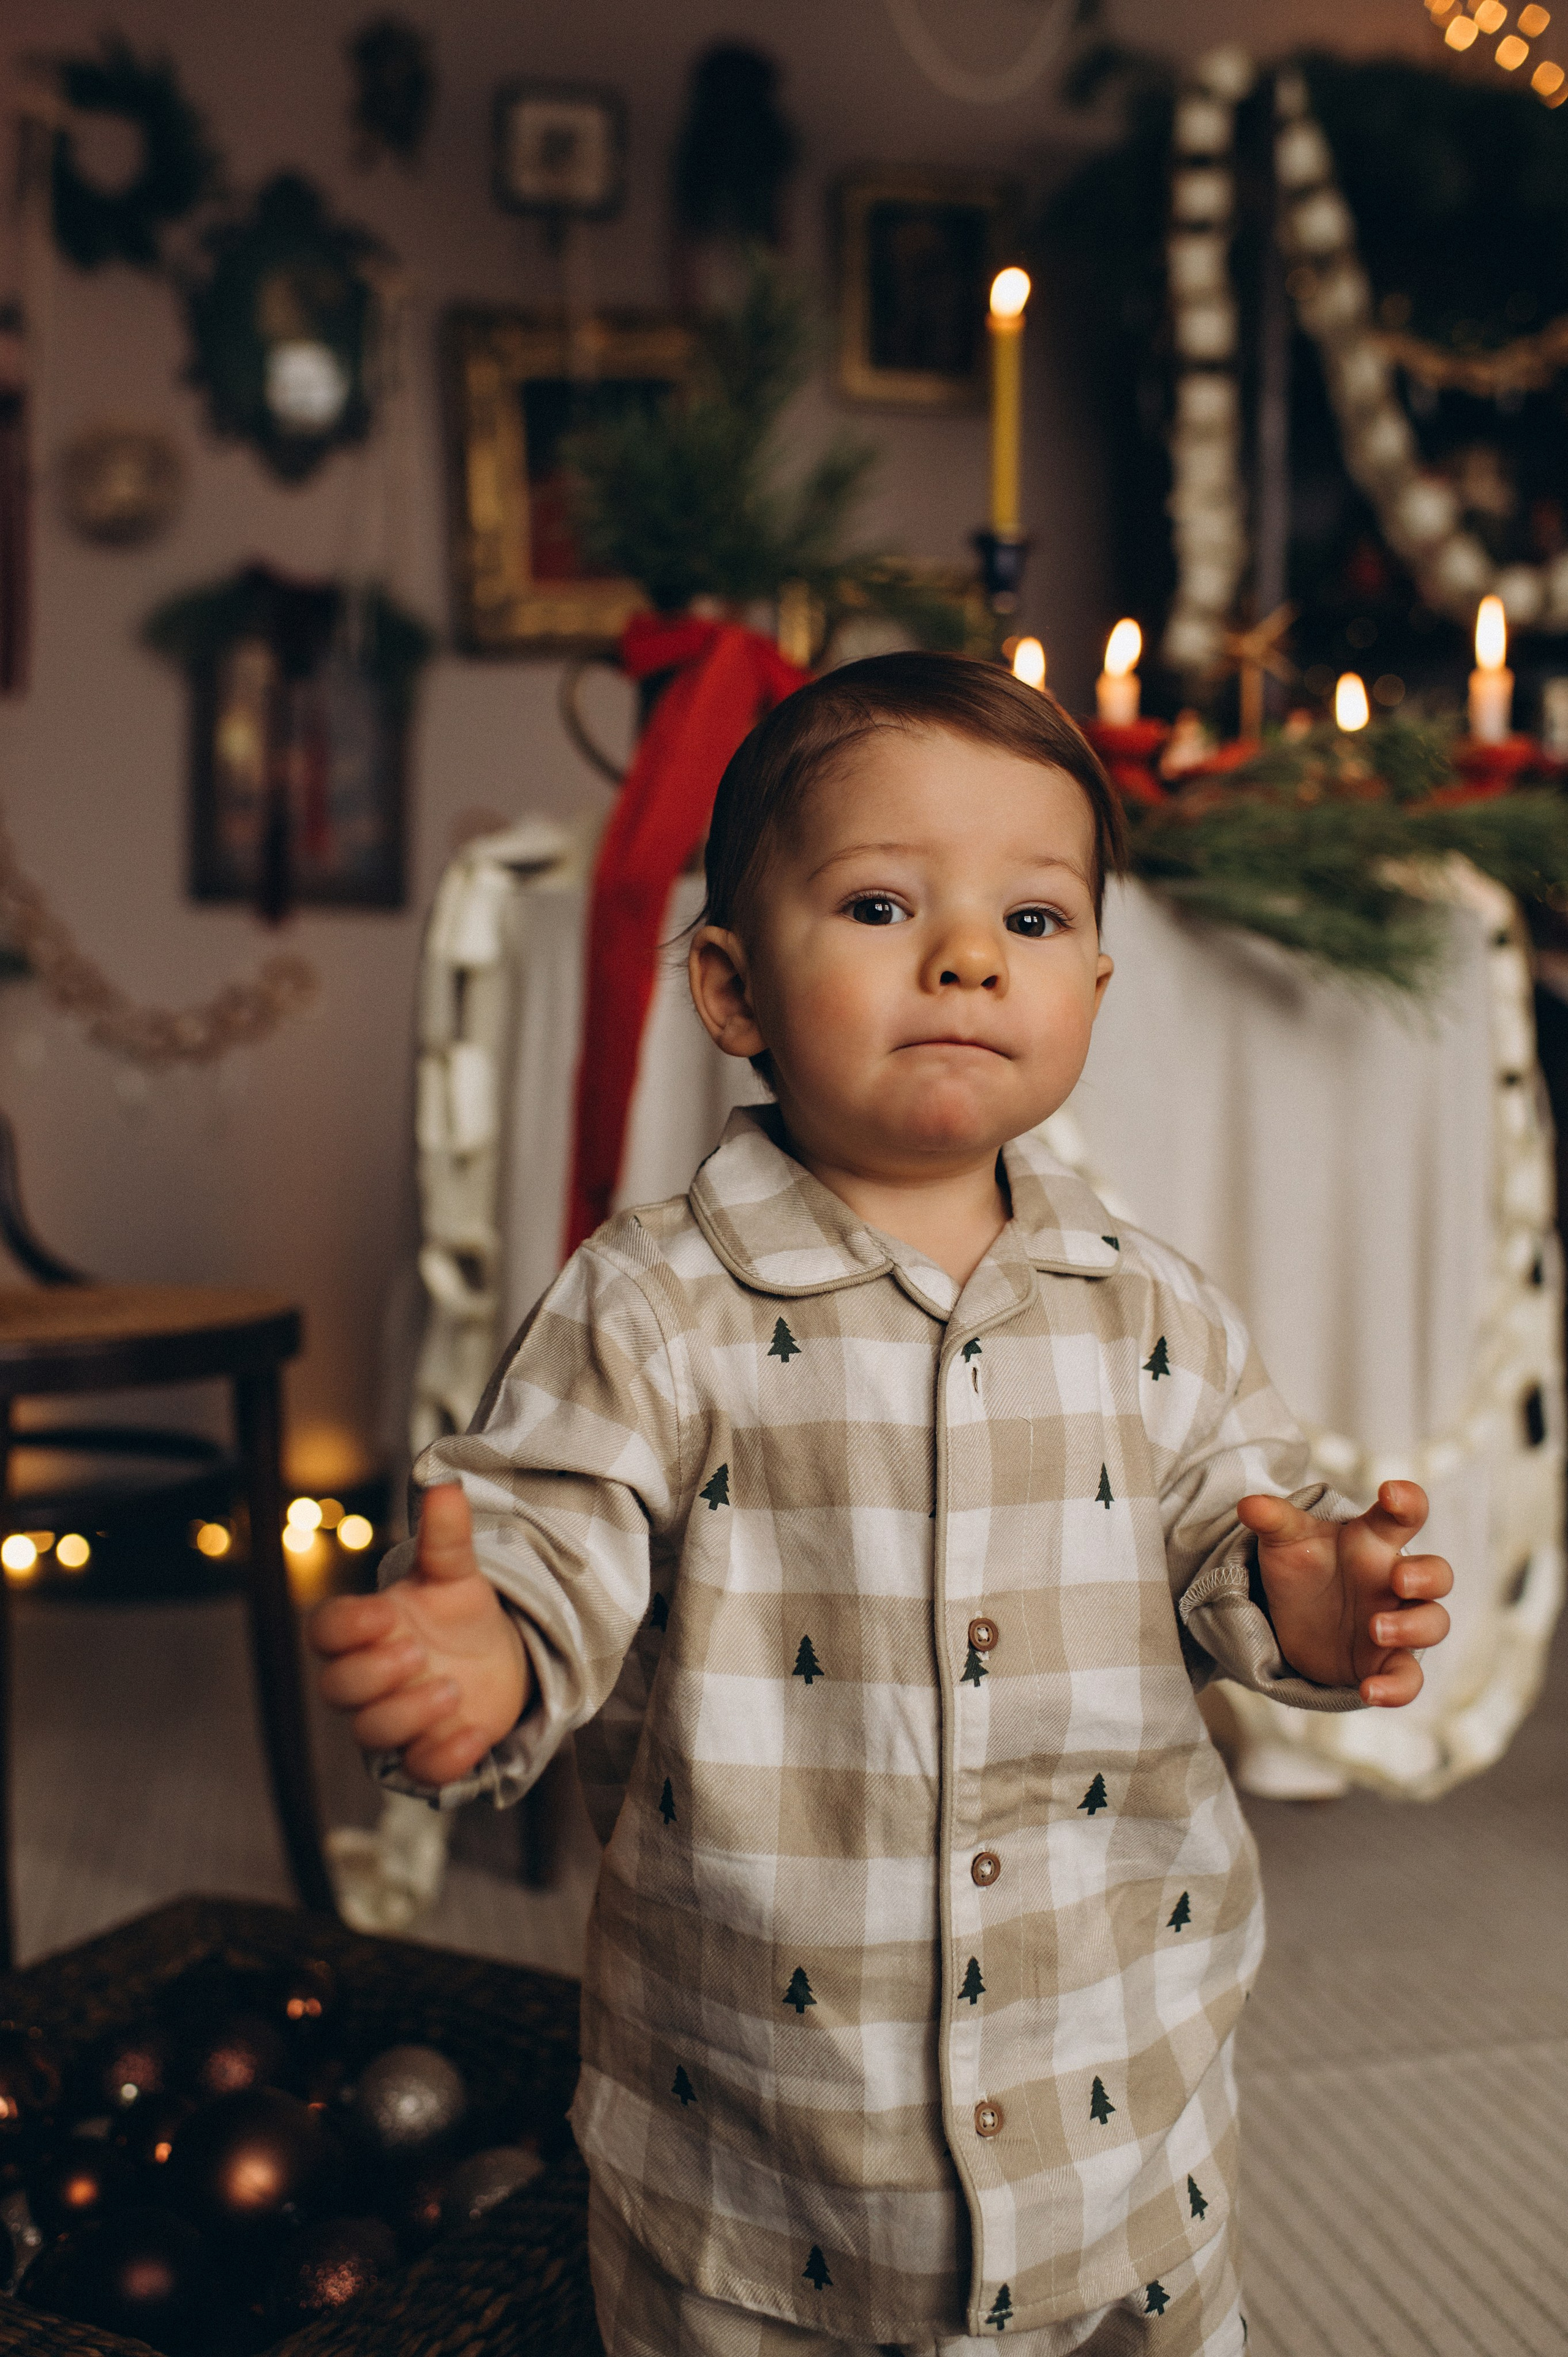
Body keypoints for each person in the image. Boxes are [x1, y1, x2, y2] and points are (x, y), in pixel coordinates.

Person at [311, 654, 1452, 2357]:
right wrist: (488, 1641)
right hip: (767, 2153)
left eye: (1037, 919)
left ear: (1096, 983)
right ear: (733, 987)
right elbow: (548, 1526)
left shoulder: (1153, 1307)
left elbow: (1243, 1526)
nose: (970, 954)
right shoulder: (655, 1303)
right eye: (878, 901)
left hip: (1116, 2122)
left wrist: (1311, 1602)